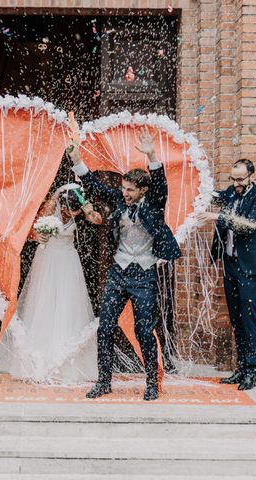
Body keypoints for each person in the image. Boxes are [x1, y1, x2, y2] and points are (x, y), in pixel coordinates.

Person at [69, 128, 182, 401]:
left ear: (143, 190)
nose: (125, 193)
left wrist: (152, 154)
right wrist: (77, 160)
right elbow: (95, 187)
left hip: (144, 276)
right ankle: (104, 381)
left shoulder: (154, 203)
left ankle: (152, 383)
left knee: (144, 331)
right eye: (124, 188)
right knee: (105, 327)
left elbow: (161, 186)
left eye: (131, 190)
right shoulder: (119, 198)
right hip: (119, 272)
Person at [0, 185, 104, 384]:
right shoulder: (51, 207)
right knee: (44, 302)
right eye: (67, 211)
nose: (71, 214)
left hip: (68, 260)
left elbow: (97, 220)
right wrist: (37, 236)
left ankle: (70, 358)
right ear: (61, 204)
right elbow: (32, 229)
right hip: (47, 259)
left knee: (69, 302)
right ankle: (39, 354)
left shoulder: (81, 207)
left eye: (75, 211)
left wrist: (89, 211)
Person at [197, 158, 256, 390]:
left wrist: (217, 217)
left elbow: (249, 225)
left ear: (251, 177)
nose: (237, 184)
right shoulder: (230, 193)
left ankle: (251, 372)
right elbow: (207, 195)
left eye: (240, 179)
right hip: (229, 265)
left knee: (248, 320)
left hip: (250, 267)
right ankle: (239, 369)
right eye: (233, 179)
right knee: (235, 320)